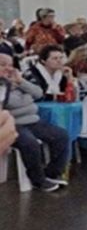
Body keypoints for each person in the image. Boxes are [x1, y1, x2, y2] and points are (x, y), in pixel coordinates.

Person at [1, 53, 71, 192]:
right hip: (14, 124)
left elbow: (39, 93)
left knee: (61, 135)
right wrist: (13, 88)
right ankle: (37, 180)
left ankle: (51, 173)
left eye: (10, 64)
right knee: (30, 143)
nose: (8, 68)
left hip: (32, 120)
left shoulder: (18, 80)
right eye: (3, 65)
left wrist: (21, 82)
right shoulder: (3, 87)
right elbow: (10, 103)